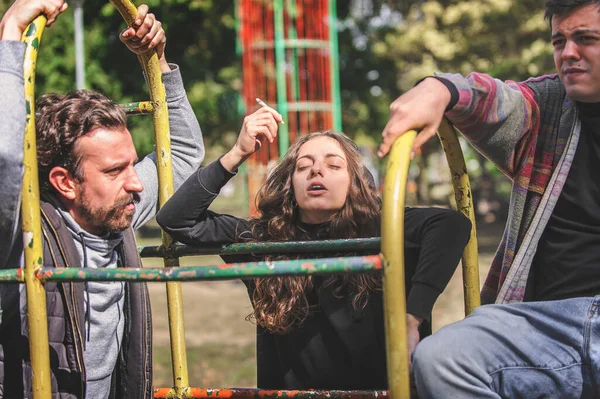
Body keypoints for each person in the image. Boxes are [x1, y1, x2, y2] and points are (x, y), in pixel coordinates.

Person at [156, 105, 471, 390]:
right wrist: (237, 153)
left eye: (334, 166)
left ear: (355, 182)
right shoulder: (265, 239)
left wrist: (412, 317)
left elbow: (452, 225)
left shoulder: (383, 229)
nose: (316, 171)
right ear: (290, 183)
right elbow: (176, 219)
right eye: (303, 166)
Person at [378, 0, 600, 397]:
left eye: (585, 39)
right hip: (545, 324)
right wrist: (438, 88)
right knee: (441, 359)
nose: (568, 53)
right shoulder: (549, 108)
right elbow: (495, 100)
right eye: (559, 40)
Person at [0, 1, 205, 397]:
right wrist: (9, 34)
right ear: (64, 182)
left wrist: (158, 62)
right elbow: (7, 162)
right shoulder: (21, 237)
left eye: (132, 164)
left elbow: (178, 154)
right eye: (114, 170)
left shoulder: (115, 213)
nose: (137, 184)